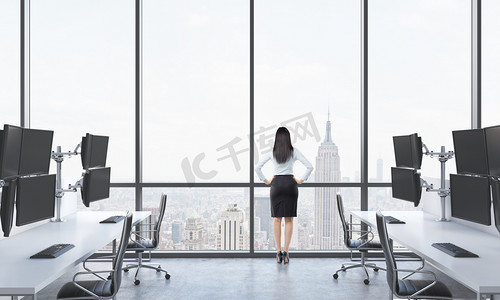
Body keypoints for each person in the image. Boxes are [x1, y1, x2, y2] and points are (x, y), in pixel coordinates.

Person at [255, 127, 313, 264]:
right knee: (289, 220)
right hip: (290, 184)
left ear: (277, 138)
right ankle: (286, 253)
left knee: (276, 219)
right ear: (288, 138)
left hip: (276, 185)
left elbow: (257, 168)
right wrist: (301, 180)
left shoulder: (272, 152)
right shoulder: (294, 152)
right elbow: (310, 166)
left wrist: (266, 181)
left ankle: (277, 253)